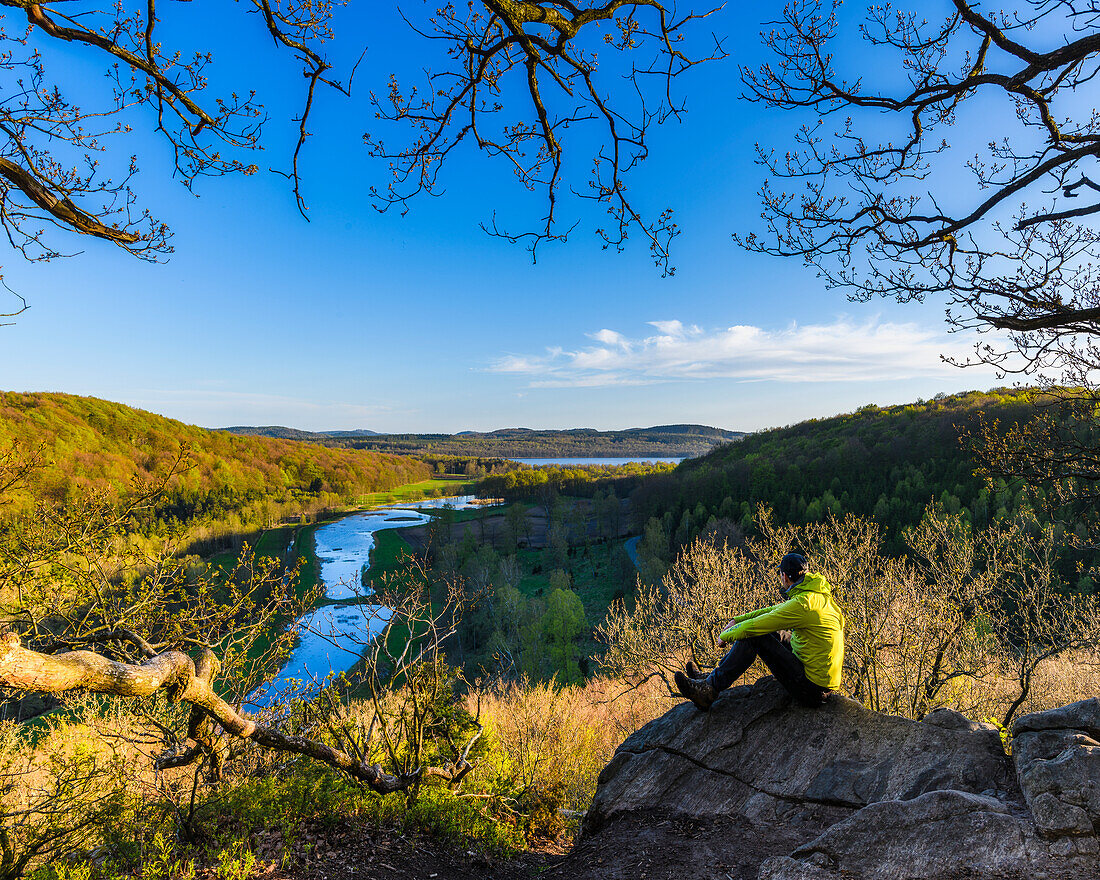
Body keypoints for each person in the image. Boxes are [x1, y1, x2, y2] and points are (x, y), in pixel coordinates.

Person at [674, 552, 845, 711]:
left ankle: (709, 691)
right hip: (820, 679)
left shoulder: (803, 604)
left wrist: (725, 635)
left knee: (754, 636)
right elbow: (772, 611)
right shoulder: (818, 595)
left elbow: (755, 626)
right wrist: (737, 620)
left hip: (812, 689)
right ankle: (712, 677)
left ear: (784, 576)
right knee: (774, 633)